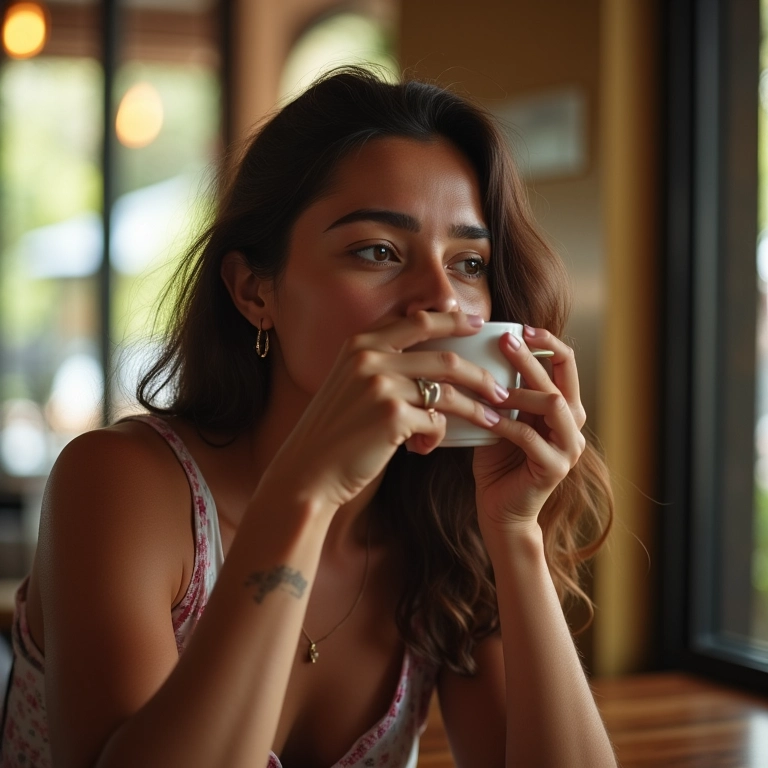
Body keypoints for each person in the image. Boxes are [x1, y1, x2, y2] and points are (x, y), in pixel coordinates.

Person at [0, 67, 616, 768]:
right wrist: (307, 491)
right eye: (378, 252)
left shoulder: (443, 524)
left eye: (469, 261)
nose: (442, 301)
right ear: (255, 291)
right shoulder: (120, 481)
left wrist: (516, 534)